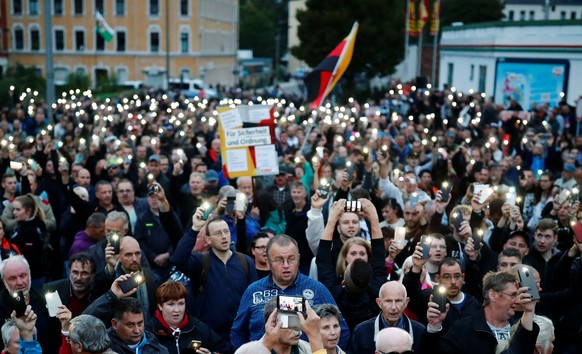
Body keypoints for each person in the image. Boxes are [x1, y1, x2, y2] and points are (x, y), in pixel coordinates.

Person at [230, 234, 350, 350]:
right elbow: (237, 333)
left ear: (298, 259)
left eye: (291, 259)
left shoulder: (317, 289)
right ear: (268, 262)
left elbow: (342, 331)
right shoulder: (253, 291)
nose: (286, 265)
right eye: (279, 260)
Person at [171, 209, 258, 343]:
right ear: (208, 240)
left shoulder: (246, 262)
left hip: (242, 334)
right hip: (210, 335)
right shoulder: (201, 262)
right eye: (218, 233)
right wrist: (194, 229)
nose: (224, 236)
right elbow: (178, 259)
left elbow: (255, 300)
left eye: (226, 231)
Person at [425, 271, 540, 354]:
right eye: (513, 295)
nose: (517, 300)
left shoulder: (520, 327)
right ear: (493, 295)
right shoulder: (462, 329)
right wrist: (434, 326)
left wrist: (529, 311)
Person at [316, 198, 386, 330]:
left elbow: (323, 258)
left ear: (344, 281)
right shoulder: (376, 290)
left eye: (362, 253)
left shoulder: (333, 293)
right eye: (353, 254)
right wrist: (374, 218)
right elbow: (379, 255)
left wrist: (331, 220)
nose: (357, 258)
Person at [152, 280, 231, 354]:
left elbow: (225, 349)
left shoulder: (200, 328)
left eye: (181, 303)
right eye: (171, 304)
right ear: (160, 306)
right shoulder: (149, 332)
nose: (177, 310)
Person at [348, 281, 425, 354]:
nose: (393, 307)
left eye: (398, 301)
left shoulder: (420, 332)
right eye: (388, 301)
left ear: (406, 302)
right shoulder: (362, 332)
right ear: (379, 303)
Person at [7, 194, 48, 287]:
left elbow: (31, 258)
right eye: (14, 209)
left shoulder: (31, 231)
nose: (14, 212)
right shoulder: (23, 225)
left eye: (18, 209)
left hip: (31, 278)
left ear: (29, 211)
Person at [43, 252, 97, 317]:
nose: (79, 278)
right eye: (75, 272)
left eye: (84, 273)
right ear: (69, 271)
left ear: (93, 275)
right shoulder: (51, 289)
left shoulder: (99, 294)